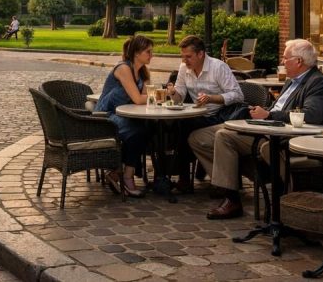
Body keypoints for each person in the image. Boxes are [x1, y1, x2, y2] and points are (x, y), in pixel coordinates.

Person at [192, 38, 323, 219]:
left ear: (299, 61)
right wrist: (263, 113)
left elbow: (310, 117)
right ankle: (231, 187)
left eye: (285, 59)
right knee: (203, 136)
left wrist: (269, 116)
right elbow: (278, 109)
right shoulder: (292, 81)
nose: (282, 63)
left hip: (285, 137)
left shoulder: (317, 83)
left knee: (225, 137)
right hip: (268, 129)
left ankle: (233, 199)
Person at [166, 35, 245, 192]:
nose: (184, 61)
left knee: (183, 129)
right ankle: (182, 177)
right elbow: (179, 95)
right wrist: (173, 92)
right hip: (199, 115)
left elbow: (238, 95)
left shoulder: (218, 67)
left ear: (201, 54)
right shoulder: (184, 68)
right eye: (182, 57)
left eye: (188, 57)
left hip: (220, 116)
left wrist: (212, 98)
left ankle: (184, 179)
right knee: (176, 125)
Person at [94, 35, 154, 197]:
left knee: (150, 127)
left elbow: (144, 98)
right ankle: (127, 177)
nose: (151, 55)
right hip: (105, 117)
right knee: (138, 131)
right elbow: (138, 99)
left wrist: (151, 92)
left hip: (125, 116)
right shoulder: (123, 68)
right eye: (148, 51)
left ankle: (116, 173)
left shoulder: (142, 73)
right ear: (136, 53)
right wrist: (160, 96)